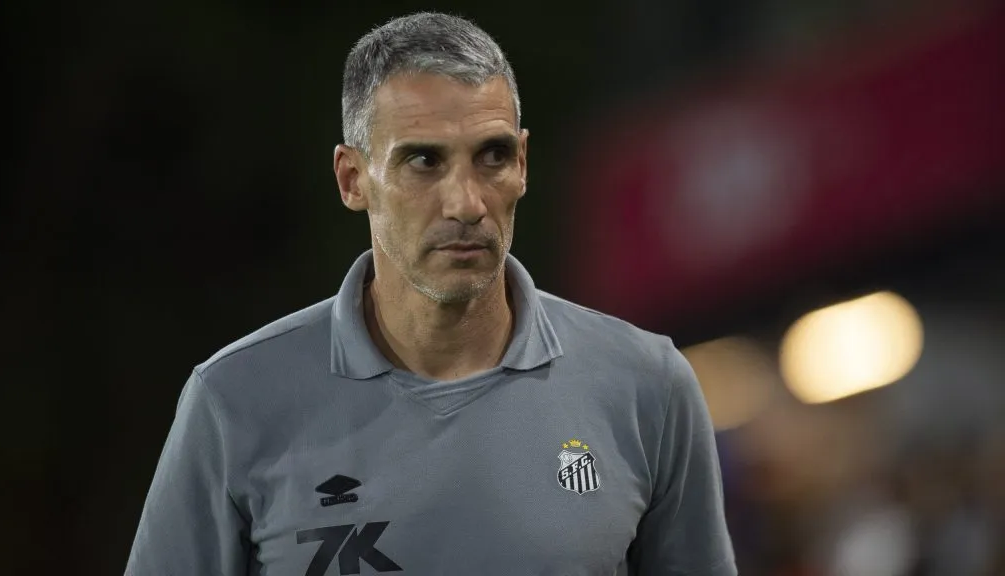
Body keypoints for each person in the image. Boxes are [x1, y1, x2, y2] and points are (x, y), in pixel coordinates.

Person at [126, 12, 736, 576]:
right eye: (423, 161)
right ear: (352, 179)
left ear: (523, 164)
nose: (466, 204)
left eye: (492, 156)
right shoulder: (235, 401)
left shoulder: (646, 385)